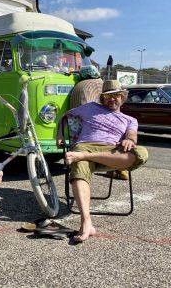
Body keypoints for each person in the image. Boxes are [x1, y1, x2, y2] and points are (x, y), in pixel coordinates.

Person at [57, 80, 148, 242]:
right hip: (86, 145)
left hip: (111, 152)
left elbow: (132, 134)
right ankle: (86, 223)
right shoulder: (90, 107)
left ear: (123, 97)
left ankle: (84, 156)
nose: (111, 99)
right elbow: (65, 116)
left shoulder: (129, 119)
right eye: (107, 96)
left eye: (115, 96)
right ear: (102, 98)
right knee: (78, 164)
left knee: (141, 153)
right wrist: (59, 135)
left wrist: (130, 141)